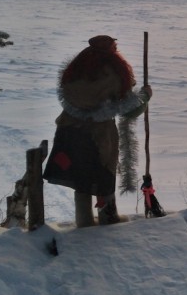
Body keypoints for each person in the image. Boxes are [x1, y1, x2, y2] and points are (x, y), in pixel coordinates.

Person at [43, 35, 152, 227]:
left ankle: (83, 223)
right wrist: (144, 96)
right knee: (103, 177)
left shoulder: (76, 70)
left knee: (80, 178)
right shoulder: (113, 72)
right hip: (98, 136)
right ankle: (107, 221)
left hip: (69, 131)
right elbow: (129, 108)